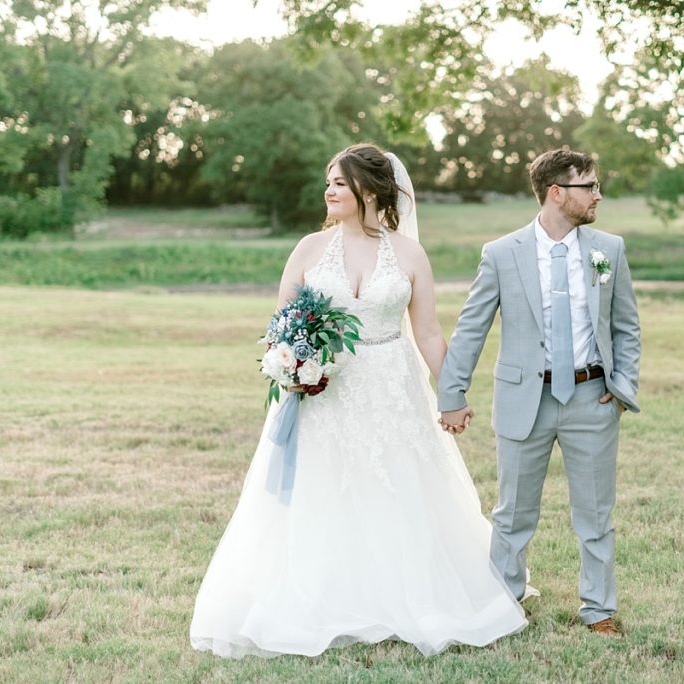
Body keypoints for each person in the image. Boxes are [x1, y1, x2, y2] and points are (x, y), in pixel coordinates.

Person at [190, 144, 527, 658]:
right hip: (323, 391)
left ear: (369, 191)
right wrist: (290, 366)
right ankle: (322, 598)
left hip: (393, 386)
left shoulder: (410, 255)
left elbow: (431, 333)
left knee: (396, 484)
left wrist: (453, 394)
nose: (328, 191)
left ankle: (407, 596)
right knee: (324, 487)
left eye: (339, 183)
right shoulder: (307, 249)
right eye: (328, 182)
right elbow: (278, 326)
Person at [437, 149, 641, 636]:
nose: (598, 195)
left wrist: (623, 386)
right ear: (556, 192)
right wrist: (452, 392)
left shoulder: (607, 249)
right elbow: (471, 328)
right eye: (588, 186)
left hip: (592, 399)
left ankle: (600, 610)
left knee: (595, 515)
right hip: (523, 399)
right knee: (512, 514)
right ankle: (504, 607)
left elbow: (626, 326)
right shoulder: (501, 253)